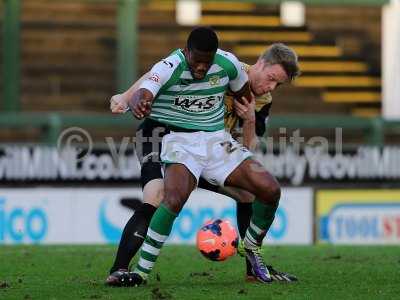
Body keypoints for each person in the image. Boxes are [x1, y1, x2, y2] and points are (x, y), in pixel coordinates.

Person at [108, 27, 299, 286]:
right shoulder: (228, 67)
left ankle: (253, 267)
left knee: (249, 194)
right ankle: (120, 269)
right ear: (261, 63)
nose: (271, 86)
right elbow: (158, 73)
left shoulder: (262, 99)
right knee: (158, 196)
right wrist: (127, 95)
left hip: (210, 146)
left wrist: (250, 118)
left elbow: (248, 146)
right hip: (161, 132)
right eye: (271, 77)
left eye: (278, 84)